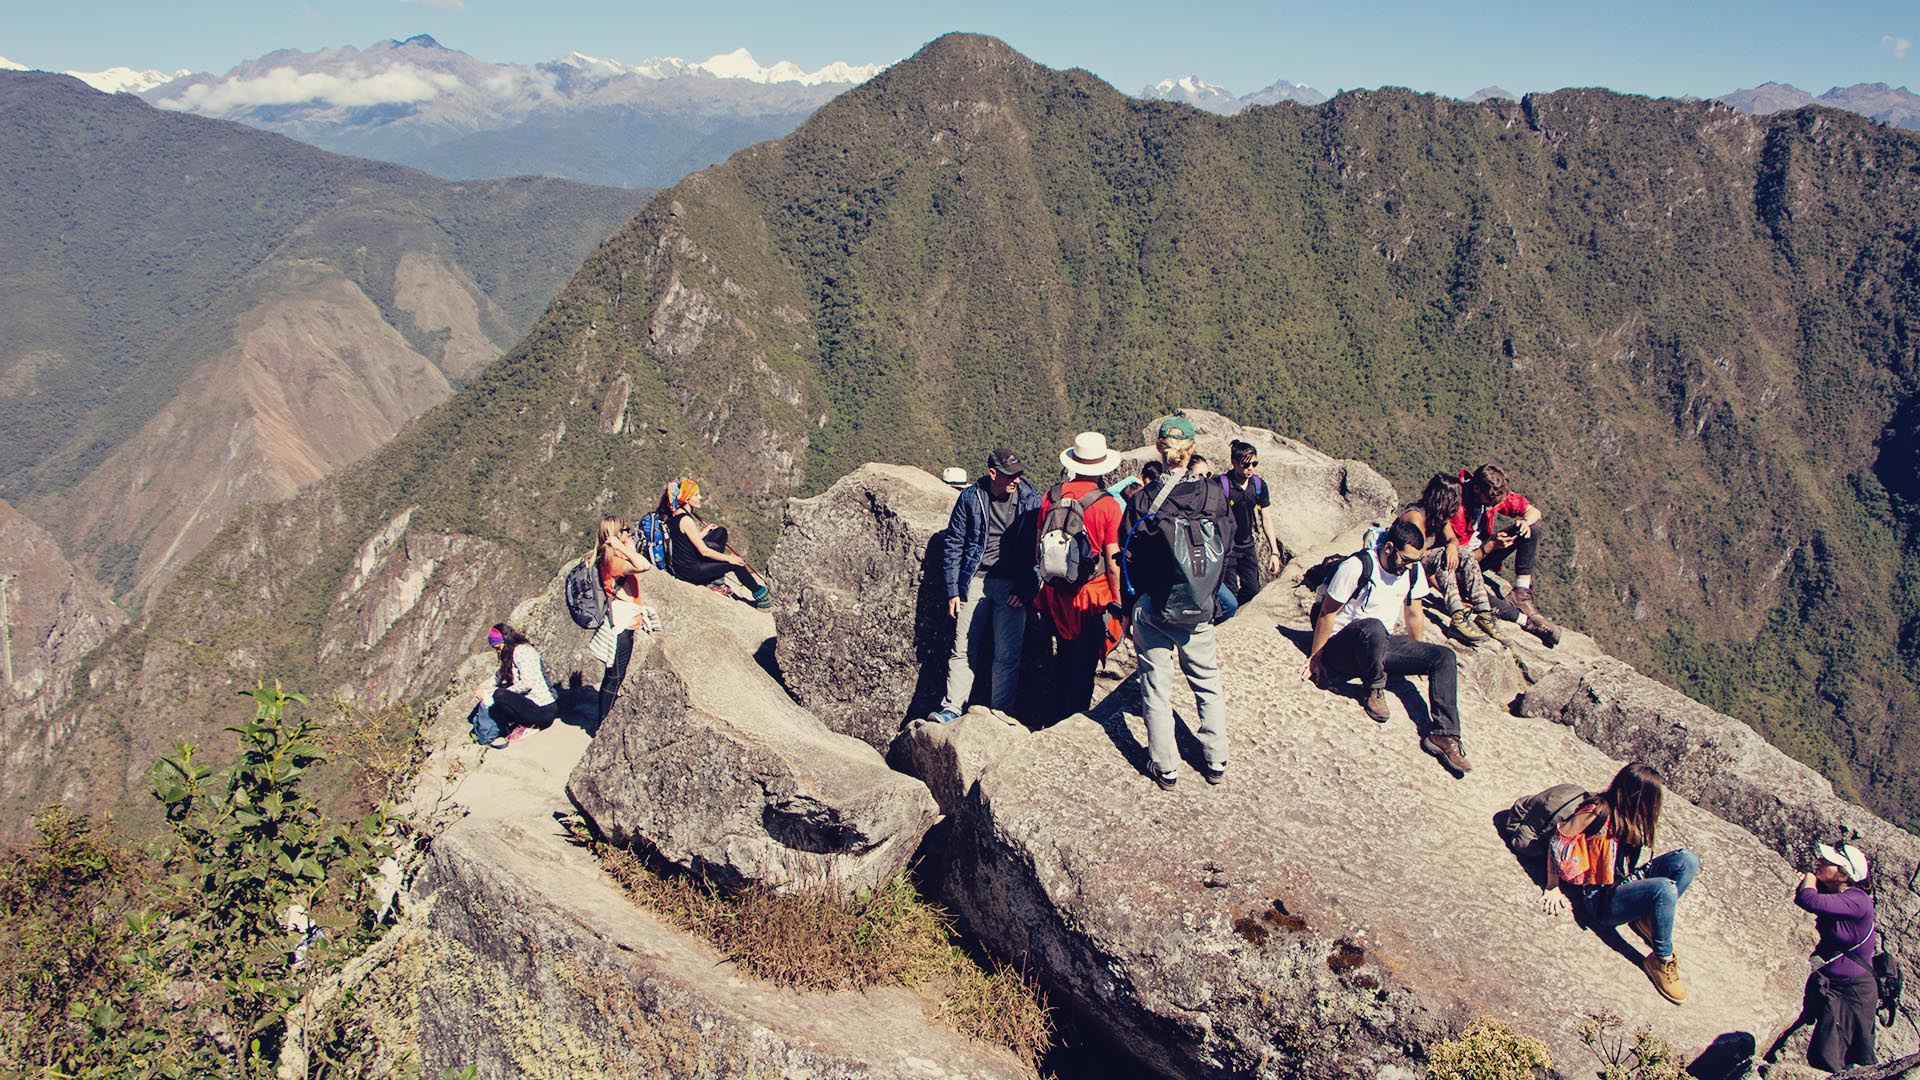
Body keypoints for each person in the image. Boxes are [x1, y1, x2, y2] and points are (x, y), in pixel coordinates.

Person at [1303, 518, 1471, 776]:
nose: (1408, 567)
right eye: (1405, 560)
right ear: (1389, 548)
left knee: (1443, 657)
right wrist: (1316, 657)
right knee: (1373, 627)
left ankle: (1445, 735)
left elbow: (1414, 613)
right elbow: (1327, 613)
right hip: (1344, 646)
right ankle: (1373, 688)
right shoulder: (1356, 566)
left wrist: (1416, 654)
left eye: (1414, 562)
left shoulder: (1411, 571)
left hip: (1380, 644)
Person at [1123, 416, 1232, 789]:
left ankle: (1165, 766)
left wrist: (1132, 604)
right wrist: (1209, 591)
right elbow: (1226, 546)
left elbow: (1128, 556)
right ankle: (1216, 760)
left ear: (1159, 450)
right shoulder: (1214, 494)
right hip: (1200, 606)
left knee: (1156, 686)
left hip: (1155, 607)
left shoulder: (1143, 500)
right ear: (1191, 450)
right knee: (1207, 680)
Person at [1543, 762, 1699, 1005]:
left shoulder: (1632, 817)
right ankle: (1661, 960)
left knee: (1687, 860)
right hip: (1602, 899)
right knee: (1665, 888)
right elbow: (1559, 840)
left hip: (1624, 880)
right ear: (1638, 795)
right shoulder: (1597, 811)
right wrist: (1553, 886)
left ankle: (1646, 916)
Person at [931, 448, 1042, 723]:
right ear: (993, 473)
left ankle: (999, 714)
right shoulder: (971, 497)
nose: (1016, 479)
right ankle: (952, 708)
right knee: (963, 650)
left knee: (1007, 654)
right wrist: (953, 590)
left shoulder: (1031, 499)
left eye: (1018, 474)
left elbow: (1040, 548)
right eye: (1009, 475)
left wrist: (1027, 586)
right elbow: (954, 542)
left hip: (1012, 584)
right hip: (976, 580)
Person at [1032, 434, 1124, 724]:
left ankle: (1051, 717)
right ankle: (1073, 722)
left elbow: (1039, 545)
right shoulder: (1108, 505)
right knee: (1083, 666)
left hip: (1055, 593)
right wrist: (1119, 599)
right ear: (1103, 468)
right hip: (1092, 596)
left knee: (1061, 657)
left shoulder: (1052, 496)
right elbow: (1112, 559)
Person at [1765, 843, 1878, 1071]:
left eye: (1828, 862)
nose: (1820, 862)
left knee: (1843, 1059)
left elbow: (1810, 900)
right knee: (1825, 1054)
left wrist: (1808, 878)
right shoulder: (1841, 895)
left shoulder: (1856, 900)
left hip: (1852, 991)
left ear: (1844, 874)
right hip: (1835, 985)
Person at [1456, 464, 1560, 646]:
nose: (1494, 505)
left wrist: (1525, 522)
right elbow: (1457, 561)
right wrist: (1491, 546)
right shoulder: (1456, 507)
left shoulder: (1490, 495)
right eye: (1490, 501)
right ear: (1476, 488)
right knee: (1468, 587)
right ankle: (1525, 622)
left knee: (1531, 531)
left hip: (1483, 553)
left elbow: (1534, 512)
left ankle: (1520, 592)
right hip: (1461, 564)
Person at [1400, 474, 1505, 645]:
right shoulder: (1416, 517)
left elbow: (1453, 540)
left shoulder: (1438, 517)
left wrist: (1451, 547)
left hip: (1426, 563)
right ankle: (1457, 616)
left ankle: (1484, 612)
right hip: (1407, 566)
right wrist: (1446, 593)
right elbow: (1416, 561)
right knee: (1444, 557)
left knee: (1464, 552)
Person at [665, 479, 772, 609]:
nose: (700, 497)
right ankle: (760, 597)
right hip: (690, 570)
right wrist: (729, 558)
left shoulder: (678, 514)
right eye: (696, 495)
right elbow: (704, 551)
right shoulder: (686, 520)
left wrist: (705, 532)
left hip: (683, 564)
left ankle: (716, 579)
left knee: (720, 532)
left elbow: (684, 541)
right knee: (736, 564)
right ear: (687, 499)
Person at [592, 515, 650, 721]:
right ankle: (602, 723)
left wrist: (627, 547)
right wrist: (623, 548)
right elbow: (644, 566)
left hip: (625, 622)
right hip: (621, 625)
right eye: (626, 530)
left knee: (614, 674)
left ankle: (603, 718)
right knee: (615, 676)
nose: (629, 533)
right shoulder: (613, 562)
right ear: (616, 535)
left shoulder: (614, 560)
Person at [470, 623, 558, 747]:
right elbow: (498, 676)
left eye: (498, 647)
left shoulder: (523, 652)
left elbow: (528, 683)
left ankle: (530, 725)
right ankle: (525, 722)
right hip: (533, 706)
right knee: (499, 693)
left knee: (499, 695)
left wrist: (497, 692)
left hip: (543, 708)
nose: (498, 651)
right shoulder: (511, 653)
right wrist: (482, 687)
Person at [1221, 440, 1283, 607]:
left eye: (1254, 463)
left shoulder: (1258, 485)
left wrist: (1274, 552)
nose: (1251, 468)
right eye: (1246, 464)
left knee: (1253, 590)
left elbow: (1266, 517)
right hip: (1227, 548)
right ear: (1234, 462)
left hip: (1247, 546)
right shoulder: (1223, 485)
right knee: (1230, 594)